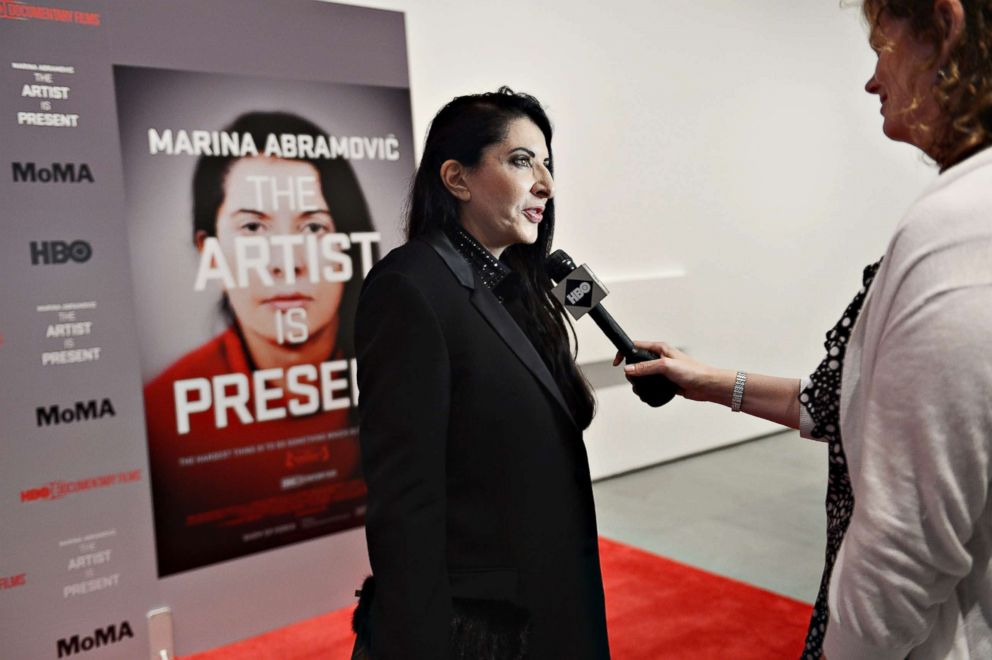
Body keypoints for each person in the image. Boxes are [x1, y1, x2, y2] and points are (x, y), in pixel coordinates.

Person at [621, 1, 992, 657]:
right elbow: (840, 403)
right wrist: (703, 380)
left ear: (945, 30)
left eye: (884, 46)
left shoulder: (960, 232)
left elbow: (906, 544)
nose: (874, 80)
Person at [353, 88, 610, 659]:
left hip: (550, 594)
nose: (545, 182)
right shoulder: (410, 288)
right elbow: (405, 501)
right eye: (522, 161)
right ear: (457, 178)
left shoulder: (518, 280)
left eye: (548, 164)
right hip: (483, 625)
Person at [143, 111, 373, 576]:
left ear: (349, 243)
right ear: (210, 251)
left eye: (313, 228)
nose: (285, 263)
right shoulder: (158, 418)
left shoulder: (400, 374)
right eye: (252, 228)